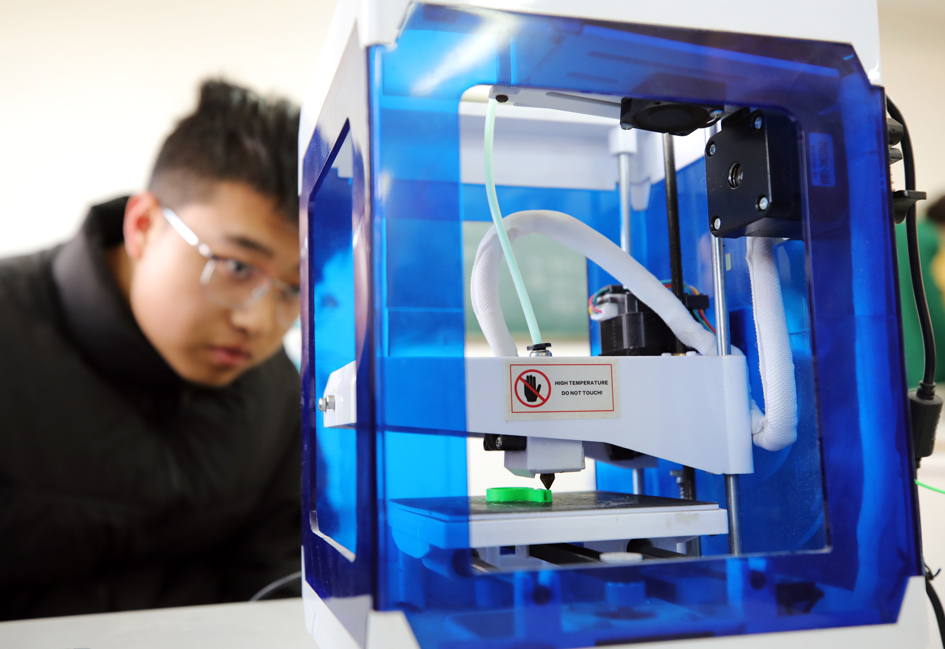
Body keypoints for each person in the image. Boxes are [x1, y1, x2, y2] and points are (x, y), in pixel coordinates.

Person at [0, 80, 303, 620]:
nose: (259, 323)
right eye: (236, 267)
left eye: (294, 289)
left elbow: (279, 580)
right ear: (143, 226)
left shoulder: (278, 390)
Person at [896, 194, 945, 387]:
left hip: (887, 365)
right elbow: (936, 306)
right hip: (926, 371)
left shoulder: (899, 231)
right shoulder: (934, 241)